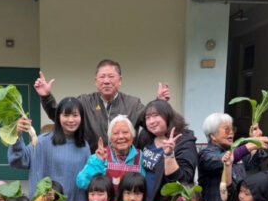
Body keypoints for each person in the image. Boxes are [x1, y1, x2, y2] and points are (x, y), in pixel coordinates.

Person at [35, 59, 171, 150]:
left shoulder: (133, 104)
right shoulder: (84, 102)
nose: (106, 81)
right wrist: (46, 96)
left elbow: (150, 122)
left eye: (111, 77)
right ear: (96, 81)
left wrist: (159, 103)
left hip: (124, 166)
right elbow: (60, 116)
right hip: (93, 165)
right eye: (102, 77)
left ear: (120, 80)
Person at [8, 96, 91, 201]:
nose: (71, 120)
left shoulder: (84, 147)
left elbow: (87, 181)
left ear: (82, 118)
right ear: (58, 117)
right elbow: (19, 160)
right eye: (66, 115)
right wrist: (17, 135)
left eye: (75, 115)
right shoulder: (42, 142)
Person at [77, 115, 144, 191]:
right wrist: (99, 162)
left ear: (133, 136)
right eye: (116, 133)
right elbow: (82, 183)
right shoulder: (100, 156)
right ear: (111, 138)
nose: (121, 137)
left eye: (125, 132)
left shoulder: (141, 157)